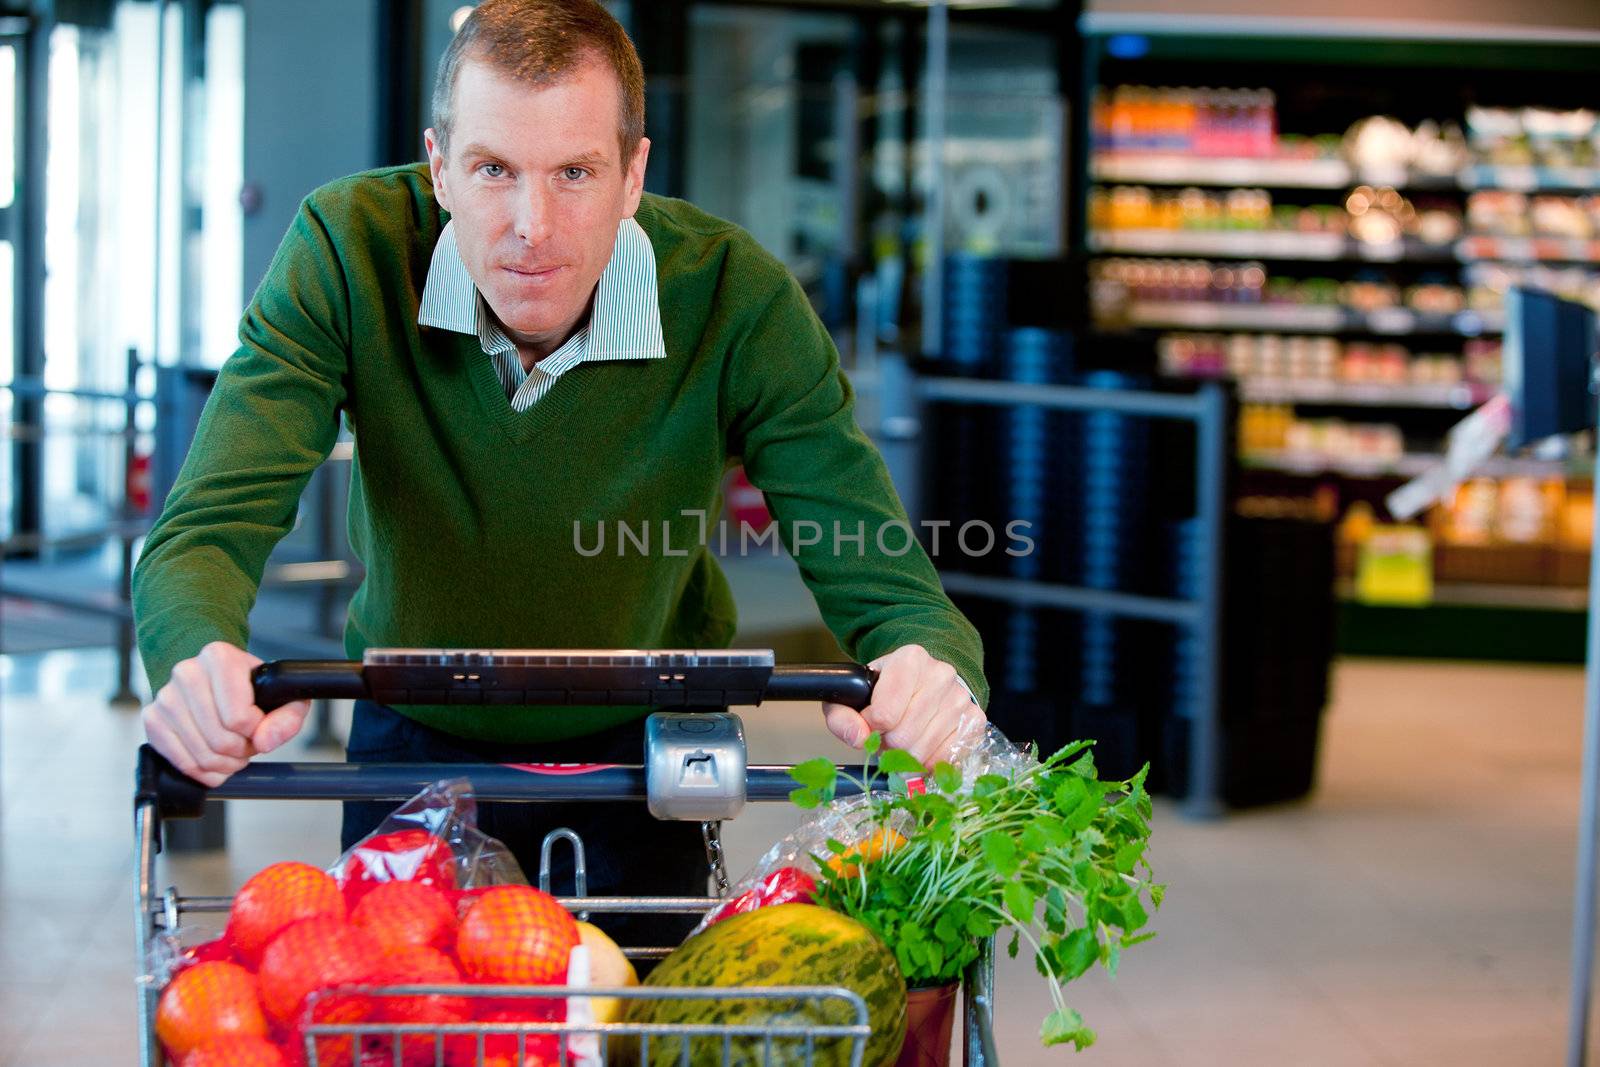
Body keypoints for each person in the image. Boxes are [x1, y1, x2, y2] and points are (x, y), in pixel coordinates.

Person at [132, 0, 989, 939]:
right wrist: (196, 657)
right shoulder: (347, 251)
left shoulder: (735, 299)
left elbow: (877, 565)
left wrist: (928, 663)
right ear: (438, 168)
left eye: (575, 172)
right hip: (407, 735)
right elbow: (205, 529)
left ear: (633, 175)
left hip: (655, 748)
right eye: (493, 169)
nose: (531, 226)